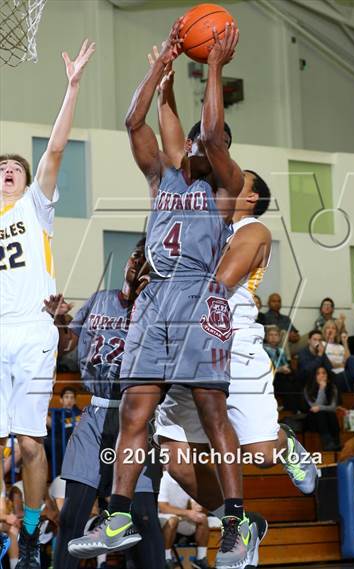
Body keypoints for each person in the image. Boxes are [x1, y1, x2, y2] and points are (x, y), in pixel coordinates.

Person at [70, 22, 254, 569]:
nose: (199, 142)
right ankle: (119, 514)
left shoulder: (224, 184)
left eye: (206, 140)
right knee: (135, 411)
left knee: (209, 407)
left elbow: (217, 134)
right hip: (153, 301)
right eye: (194, 138)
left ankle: (240, 523)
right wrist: (161, 68)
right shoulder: (161, 178)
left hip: (199, 296)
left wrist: (212, 67)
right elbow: (134, 120)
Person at [149, 34, 317, 566]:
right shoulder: (196, 199)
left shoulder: (252, 231)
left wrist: (214, 68)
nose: (224, 179)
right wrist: (165, 85)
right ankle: (242, 521)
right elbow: (177, 145)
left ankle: (283, 441)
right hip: (184, 342)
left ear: (249, 197)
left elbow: (216, 283)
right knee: (175, 459)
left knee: (259, 453)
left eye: (235, 181)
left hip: (231, 345)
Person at [0, 39, 95, 569]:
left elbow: (55, 150)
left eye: (15, 166)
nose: (9, 170)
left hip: (32, 329)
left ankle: (34, 534)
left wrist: (73, 85)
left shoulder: (35, 208)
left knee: (31, 444)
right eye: (2, 167)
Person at [45, 243, 165, 569]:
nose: (137, 265)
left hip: (135, 417)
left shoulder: (157, 312)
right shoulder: (100, 300)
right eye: (135, 257)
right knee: (72, 515)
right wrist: (58, 320)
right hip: (96, 412)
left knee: (141, 518)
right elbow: (69, 340)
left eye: (147, 264)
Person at [158, 472, 211, 569]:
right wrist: (188, 512)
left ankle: (201, 558)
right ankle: (166, 559)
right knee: (172, 520)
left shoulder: (190, 479)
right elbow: (163, 507)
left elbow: (194, 504)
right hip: (162, 517)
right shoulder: (164, 478)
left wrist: (198, 507)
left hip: (182, 518)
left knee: (202, 518)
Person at [264, 326, 304, 412]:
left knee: (298, 381)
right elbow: (265, 368)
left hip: (283, 374)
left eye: (276, 335)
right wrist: (279, 369)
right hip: (272, 376)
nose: (273, 337)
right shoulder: (263, 350)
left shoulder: (280, 350)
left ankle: (301, 408)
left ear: (279, 338)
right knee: (286, 384)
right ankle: (293, 410)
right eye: (270, 335)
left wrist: (287, 369)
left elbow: (286, 363)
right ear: (266, 337)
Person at [44, 387, 82, 475]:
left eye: (72, 398)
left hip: (74, 442)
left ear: (75, 401)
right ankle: (58, 477)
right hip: (58, 442)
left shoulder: (80, 414)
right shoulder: (56, 414)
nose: (69, 400)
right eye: (66, 397)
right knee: (54, 443)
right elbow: (53, 425)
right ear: (61, 400)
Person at [304, 366, 341, 451]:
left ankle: (336, 442)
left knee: (330, 413)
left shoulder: (332, 387)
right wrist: (321, 389)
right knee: (320, 414)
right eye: (318, 373)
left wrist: (320, 407)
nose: (321, 375)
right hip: (313, 420)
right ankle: (328, 443)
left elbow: (333, 407)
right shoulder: (308, 389)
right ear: (314, 376)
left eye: (324, 373)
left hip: (328, 417)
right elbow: (314, 407)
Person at [321, 320, 354, 392]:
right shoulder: (321, 344)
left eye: (333, 328)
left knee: (353, 358)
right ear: (325, 331)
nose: (330, 330)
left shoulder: (340, 347)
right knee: (344, 375)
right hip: (332, 374)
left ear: (336, 333)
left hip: (344, 372)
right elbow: (325, 362)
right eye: (328, 328)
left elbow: (349, 360)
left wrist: (345, 342)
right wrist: (341, 365)